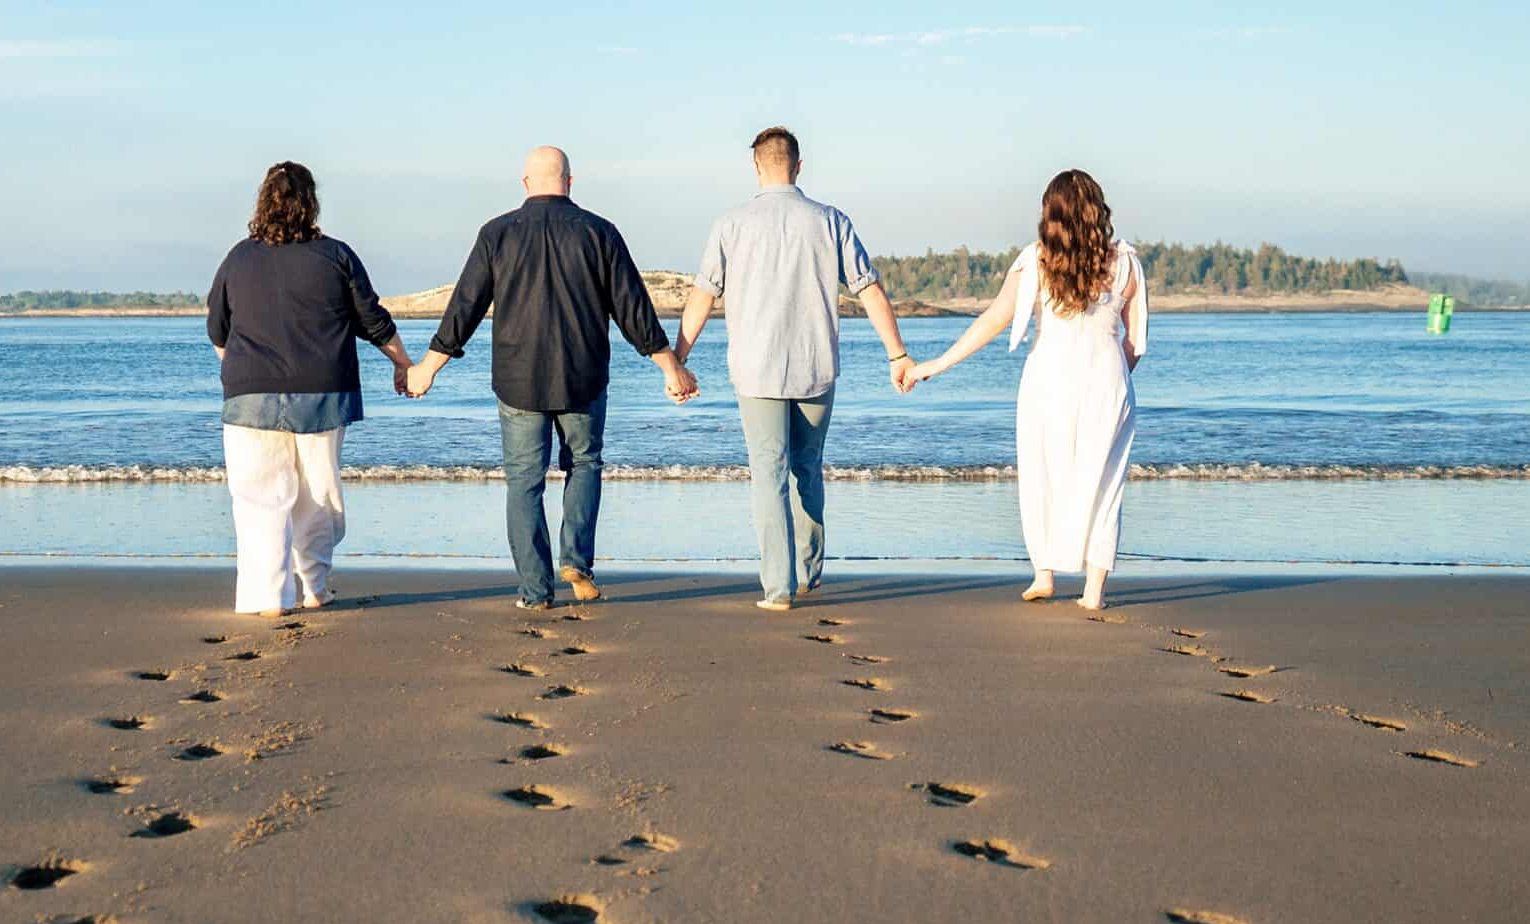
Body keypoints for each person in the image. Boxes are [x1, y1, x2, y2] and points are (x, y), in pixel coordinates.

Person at [404, 146, 699, 609]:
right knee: (584, 464)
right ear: (570, 181)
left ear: (525, 184)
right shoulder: (599, 232)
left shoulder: (497, 233)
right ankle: (577, 560)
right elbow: (632, 309)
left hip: (518, 380)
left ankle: (535, 593)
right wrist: (671, 367)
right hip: (582, 376)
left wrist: (427, 369)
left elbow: (465, 307)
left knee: (524, 481)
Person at [674, 126, 913, 611]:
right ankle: (809, 573)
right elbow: (868, 288)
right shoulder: (831, 220)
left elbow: (703, 295)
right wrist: (897, 354)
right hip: (815, 366)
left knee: (768, 473)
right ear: (798, 166)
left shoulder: (731, 223)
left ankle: (778, 589)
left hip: (756, 368)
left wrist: (678, 360)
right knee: (807, 468)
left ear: (757, 166)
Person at [899, 170, 1146, 610]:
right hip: (1108, 381)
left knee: (1042, 474)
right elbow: (1136, 343)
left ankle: (1044, 574)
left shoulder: (1035, 259)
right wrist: (1115, 378)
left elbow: (993, 320)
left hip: (1048, 378)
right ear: (1097, 211)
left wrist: (933, 366)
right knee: (1105, 485)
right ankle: (1093, 592)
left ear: (1050, 214)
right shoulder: (1126, 263)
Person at [207, 161, 416, 616]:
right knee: (318, 495)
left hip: (248, 395)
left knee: (259, 499)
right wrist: (404, 364)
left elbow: (218, 329)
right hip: (323, 391)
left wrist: (242, 373)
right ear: (310, 202)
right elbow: (372, 320)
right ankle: (316, 587)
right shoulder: (336, 255)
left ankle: (268, 599)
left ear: (263, 202)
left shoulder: (239, 257)